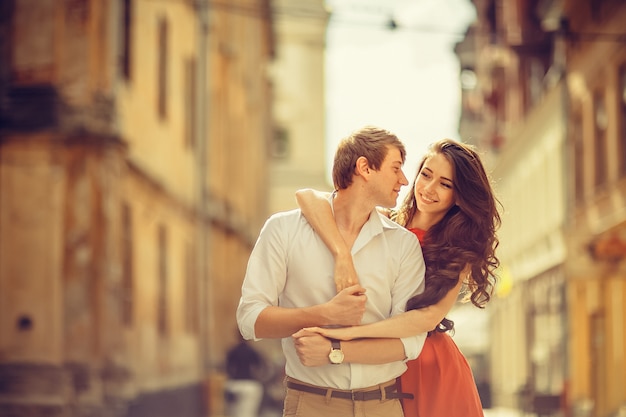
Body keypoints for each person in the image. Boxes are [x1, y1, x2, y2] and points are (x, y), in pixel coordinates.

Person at [236, 126, 452, 417]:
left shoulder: (403, 244)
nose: (404, 180)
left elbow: (410, 342)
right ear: (364, 167)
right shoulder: (283, 230)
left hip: (384, 405)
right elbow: (250, 319)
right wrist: (324, 314)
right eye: (396, 168)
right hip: (311, 405)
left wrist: (334, 349)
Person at [292, 138, 501, 417]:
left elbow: (427, 318)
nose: (429, 188)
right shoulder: (385, 223)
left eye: (445, 184)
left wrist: (347, 337)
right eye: (426, 175)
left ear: (459, 195)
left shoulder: (459, 249)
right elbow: (308, 197)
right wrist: (342, 253)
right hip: (375, 364)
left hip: (430, 368)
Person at [225, 335, 267, 417]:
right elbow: (263, 367)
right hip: (250, 385)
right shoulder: (253, 351)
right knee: (249, 413)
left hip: (234, 384)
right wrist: (259, 377)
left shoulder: (232, 351)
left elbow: (228, 368)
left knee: (234, 413)